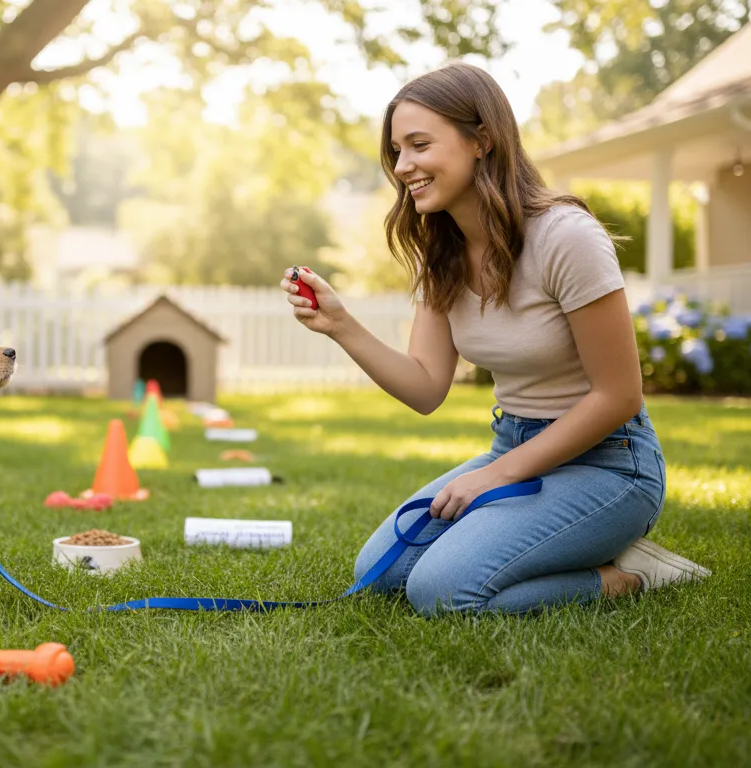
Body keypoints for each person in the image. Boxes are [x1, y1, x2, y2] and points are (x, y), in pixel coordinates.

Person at [280, 61, 710, 616]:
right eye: (396, 152)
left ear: (481, 139)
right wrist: (341, 325)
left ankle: (625, 575)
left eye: (418, 145)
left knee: (441, 591)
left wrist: (495, 475)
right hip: (514, 444)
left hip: (610, 463)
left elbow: (619, 395)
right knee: (381, 574)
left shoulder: (566, 237)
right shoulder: (444, 254)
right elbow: (426, 387)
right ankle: (553, 545)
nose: (403, 166)